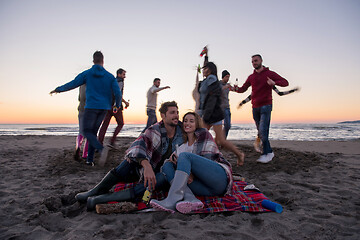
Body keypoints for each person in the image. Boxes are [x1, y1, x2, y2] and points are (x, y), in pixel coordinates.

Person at [75, 101, 184, 210]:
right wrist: (146, 165)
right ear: (163, 115)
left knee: (159, 178)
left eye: (177, 112)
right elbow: (138, 145)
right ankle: (96, 191)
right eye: (172, 113)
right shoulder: (154, 129)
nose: (176, 115)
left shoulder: (182, 131)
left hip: (164, 173)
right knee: (129, 161)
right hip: (146, 169)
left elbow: (198, 135)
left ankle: (101, 198)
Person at [150, 112, 233, 214]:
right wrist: (172, 159)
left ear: (197, 124)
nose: (187, 123)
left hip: (218, 180)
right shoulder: (182, 147)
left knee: (184, 156)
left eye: (191, 121)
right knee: (167, 165)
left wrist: (192, 172)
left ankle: (172, 199)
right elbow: (168, 166)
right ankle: (191, 198)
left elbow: (209, 160)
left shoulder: (203, 134)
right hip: (206, 189)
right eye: (185, 121)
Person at [50, 51, 122, 166]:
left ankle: (101, 149)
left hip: (91, 107)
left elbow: (73, 84)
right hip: (103, 108)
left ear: (93, 61)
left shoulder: (87, 74)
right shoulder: (110, 77)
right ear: (103, 61)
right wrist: (117, 106)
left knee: (86, 131)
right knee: (93, 133)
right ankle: (89, 160)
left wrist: (58, 89)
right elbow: (118, 93)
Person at [231, 54, 289, 163]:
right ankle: (270, 151)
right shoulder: (251, 77)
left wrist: (274, 82)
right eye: (252, 61)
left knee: (263, 130)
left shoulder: (269, 74)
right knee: (261, 131)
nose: (254, 63)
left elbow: (285, 82)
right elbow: (243, 89)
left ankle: (266, 154)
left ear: (261, 60)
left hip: (266, 106)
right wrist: (235, 89)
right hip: (255, 108)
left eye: (256, 61)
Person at [199, 59, 245, 166]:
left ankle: (239, 154)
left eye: (205, 68)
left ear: (209, 70)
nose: (203, 70)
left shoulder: (212, 79)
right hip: (210, 112)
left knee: (217, 139)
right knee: (211, 138)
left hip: (212, 113)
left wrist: (205, 113)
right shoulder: (208, 80)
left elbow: (212, 94)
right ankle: (214, 156)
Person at [237, 86, 300, 153]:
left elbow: (280, 93)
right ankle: (258, 144)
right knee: (260, 129)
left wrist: (292, 91)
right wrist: (242, 102)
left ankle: (261, 145)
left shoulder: (270, 85)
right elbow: (251, 96)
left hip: (266, 108)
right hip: (257, 109)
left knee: (263, 128)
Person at [98, 68, 130, 147]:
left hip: (107, 106)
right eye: (123, 74)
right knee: (121, 123)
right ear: (119, 74)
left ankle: (99, 142)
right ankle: (112, 141)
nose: (124, 76)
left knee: (105, 125)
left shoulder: (112, 81)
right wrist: (120, 104)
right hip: (115, 107)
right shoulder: (120, 82)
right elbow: (118, 94)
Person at [74, 84, 89, 160]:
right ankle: (85, 154)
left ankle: (78, 147)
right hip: (90, 110)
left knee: (81, 131)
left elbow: (79, 98)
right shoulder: (93, 84)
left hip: (81, 108)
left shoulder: (81, 86)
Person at [220, 70, 232, 139]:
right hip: (220, 108)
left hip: (227, 107)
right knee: (218, 125)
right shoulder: (219, 84)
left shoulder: (227, 85)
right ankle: (221, 140)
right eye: (226, 77)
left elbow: (234, 89)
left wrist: (234, 88)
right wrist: (225, 87)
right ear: (223, 77)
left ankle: (223, 139)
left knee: (228, 125)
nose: (228, 78)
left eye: (228, 77)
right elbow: (217, 90)